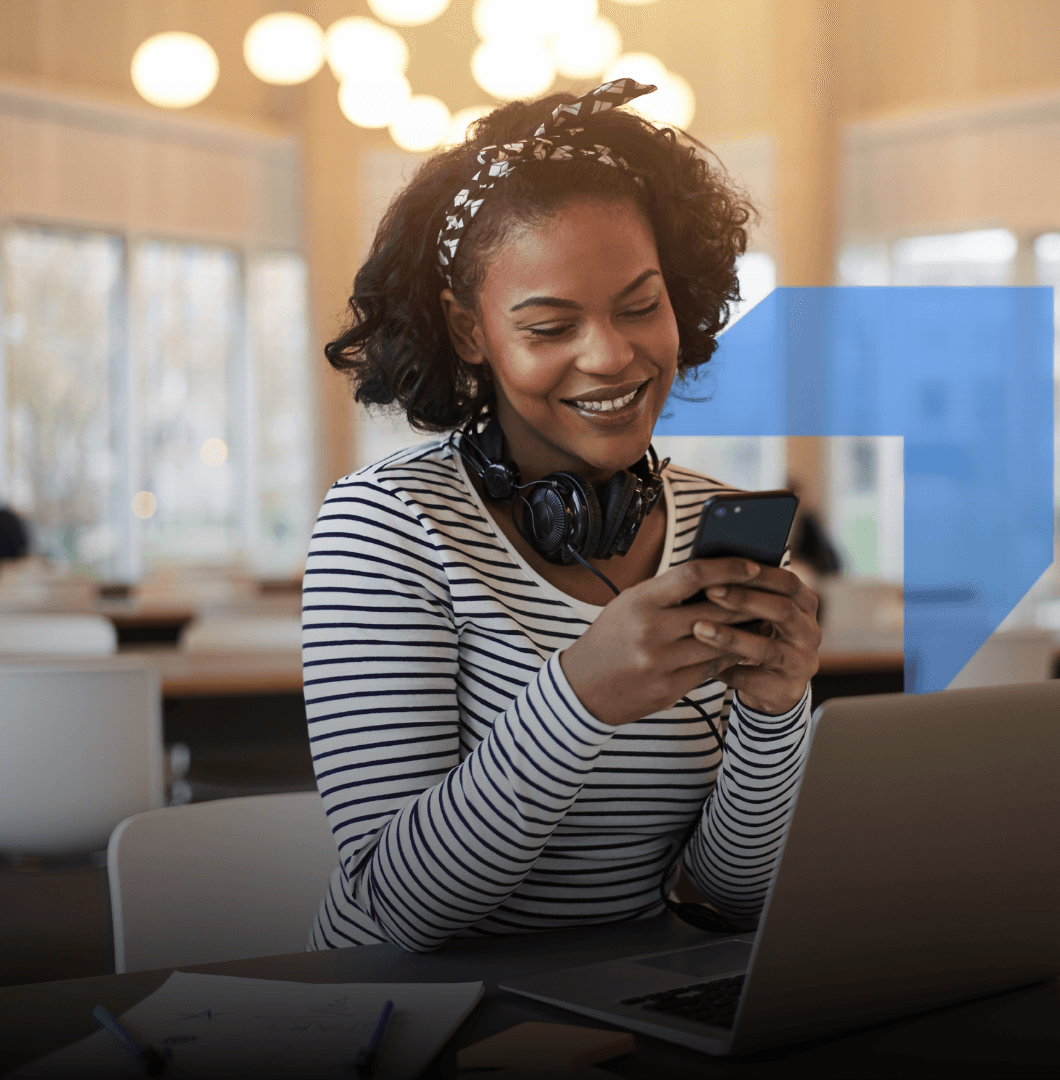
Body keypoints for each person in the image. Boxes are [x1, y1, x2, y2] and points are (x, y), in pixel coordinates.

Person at [311, 79, 819, 953]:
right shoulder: (385, 523)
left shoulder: (705, 518)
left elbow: (737, 895)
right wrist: (581, 696)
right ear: (470, 332)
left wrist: (777, 715)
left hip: (632, 998)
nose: (613, 355)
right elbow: (399, 910)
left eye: (640, 306)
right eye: (550, 326)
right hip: (415, 1015)